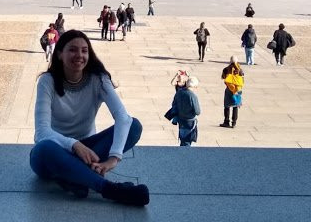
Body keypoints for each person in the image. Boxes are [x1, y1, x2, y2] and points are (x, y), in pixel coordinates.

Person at [30, 29, 149, 205]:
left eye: (84, 50)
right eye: (72, 50)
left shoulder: (98, 79)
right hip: (55, 153)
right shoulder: (47, 81)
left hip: (90, 152)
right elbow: (41, 132)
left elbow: (123, 118)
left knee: (134, 126)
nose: (79, 55)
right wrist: (74, 144)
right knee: (44, 148)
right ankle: (110, 189)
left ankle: (74, 177)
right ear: (60, 54)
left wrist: (112, 159)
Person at [166, 77, 200, 146]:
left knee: (182, 138)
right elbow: (197, 111)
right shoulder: (193, 96)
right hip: (190, 121)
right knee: (188, 140)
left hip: (180, 119)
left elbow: (173, 104)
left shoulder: (179, 92)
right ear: (195, 86)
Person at [220, 56, 244, 128]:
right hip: (238, 90)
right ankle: (234, 123)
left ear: (230, 61)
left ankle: (226, 121)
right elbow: (243, 80)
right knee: (235, 105)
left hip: (229, 89)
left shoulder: (226, 69)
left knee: (227, 105)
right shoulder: (240, 70)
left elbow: (223, 77)